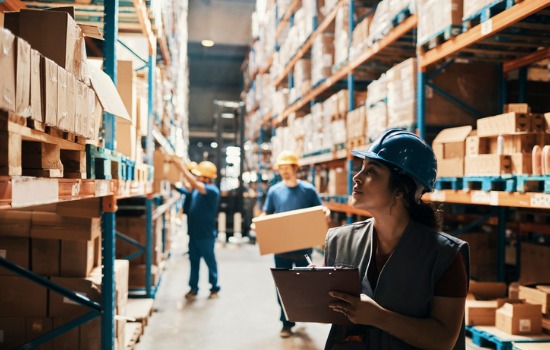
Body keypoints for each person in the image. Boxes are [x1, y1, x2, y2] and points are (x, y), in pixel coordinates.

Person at [323, 129, 470, 349]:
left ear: (401, 189)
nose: (356, 177)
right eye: (362, 168)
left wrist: (377, 316)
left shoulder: (445, 256)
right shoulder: (339, 241)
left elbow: (444, 339)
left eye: (371, 171)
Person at [259, 150, 330, 338]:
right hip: (281, 248)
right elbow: (267, 214)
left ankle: (302, 314)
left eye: (287, 167)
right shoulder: (275, 191)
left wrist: (325, 212)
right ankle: (286, 322)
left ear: (295, 168)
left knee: (304, 286)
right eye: (281, 168)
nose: (284, 171)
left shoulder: (308, 190)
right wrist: (258, 222)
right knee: (283, 286)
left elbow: (319, 210)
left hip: (303, 249)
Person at [172, 159, 221, 300]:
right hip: (193, 234)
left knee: (210, 262)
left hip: (205, 236)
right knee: (194, 262)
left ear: (207, 177)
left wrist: (181, 168)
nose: (197, 177)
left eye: (199, 175)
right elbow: (188, 189)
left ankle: (214, 288)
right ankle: (193, 288)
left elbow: (193, 184)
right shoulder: (197, 191)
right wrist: (173, 185)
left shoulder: (211, 190)